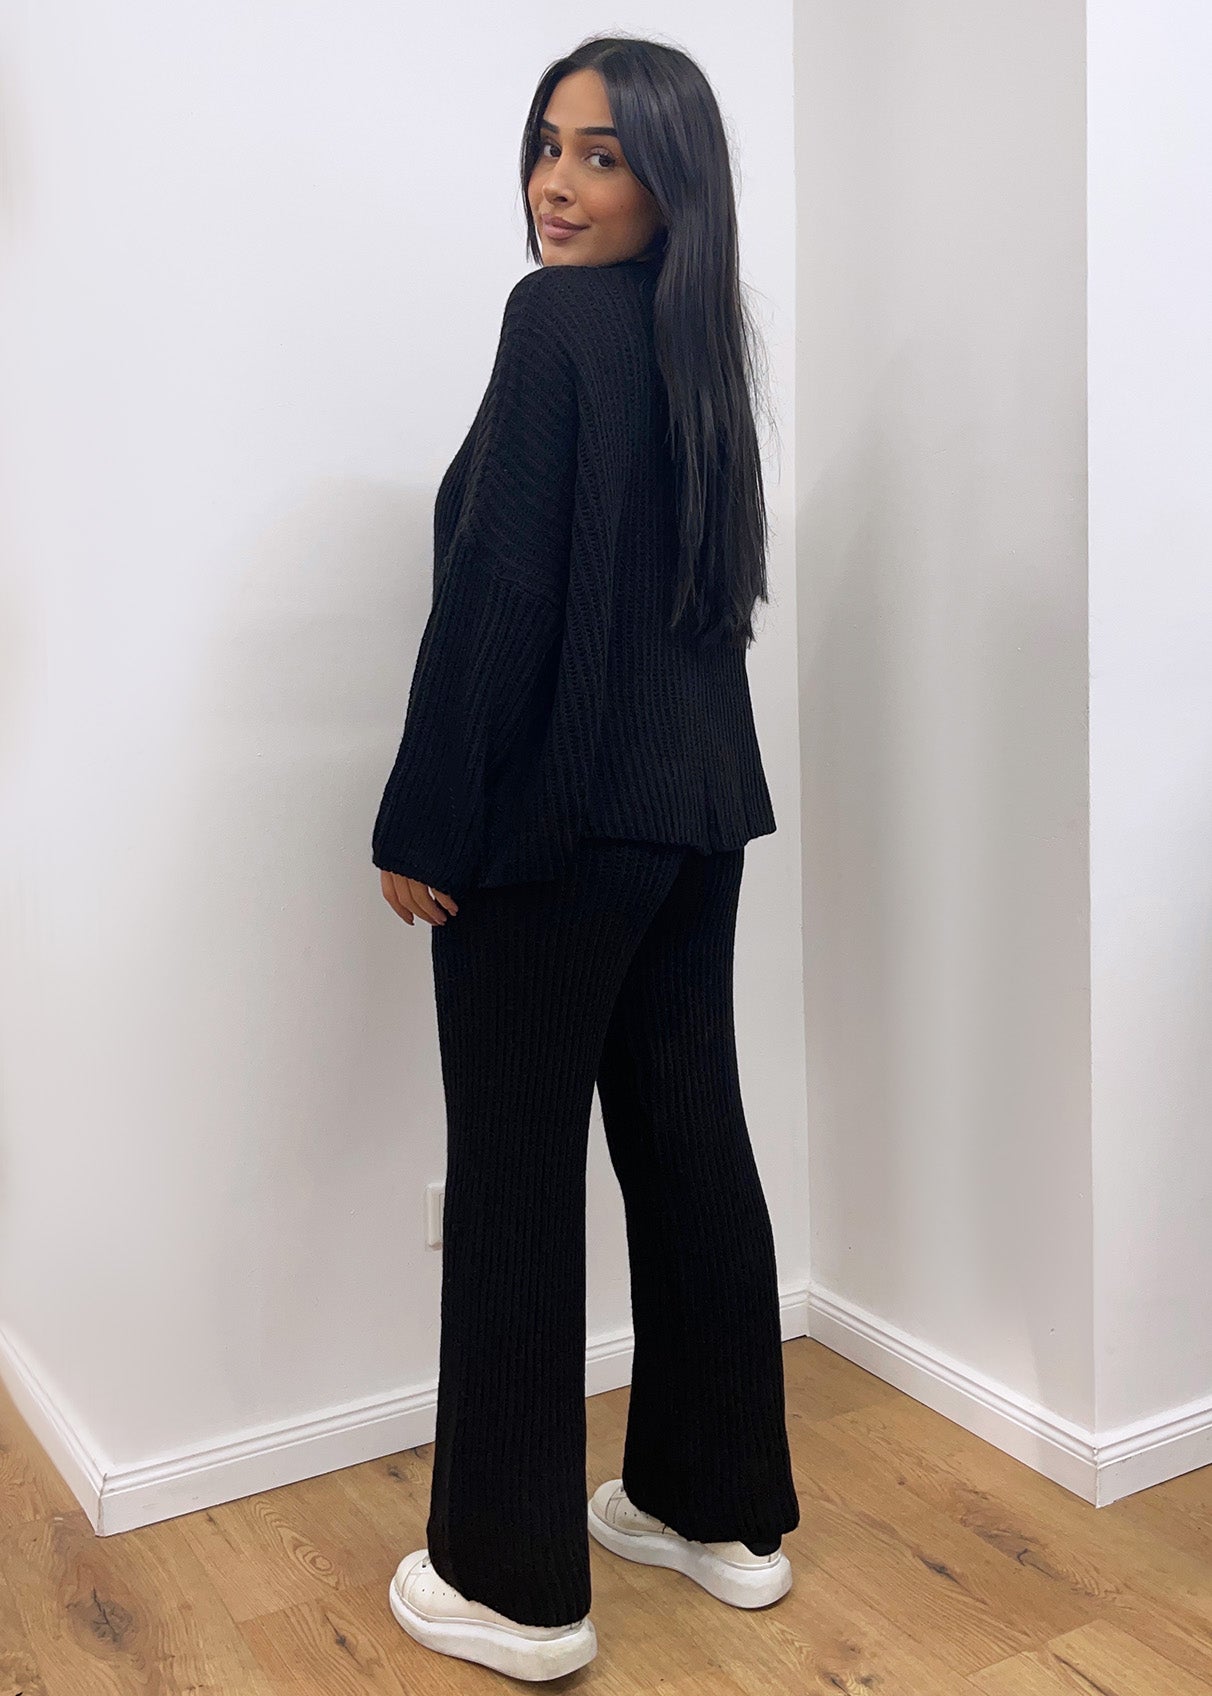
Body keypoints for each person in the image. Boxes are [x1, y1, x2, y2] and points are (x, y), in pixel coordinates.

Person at [372, 34, 801, 1683]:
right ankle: (717, 1513)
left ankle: (513, 1584)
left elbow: (501, 591)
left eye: (603, 155)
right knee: (690, 1149)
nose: (559, 183)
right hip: (696, 817)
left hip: (555, 832)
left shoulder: (552, 324)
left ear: (671, 180)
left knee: (513, 1176)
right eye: (550, 144)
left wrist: (424, 817)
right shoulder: (705, 350)